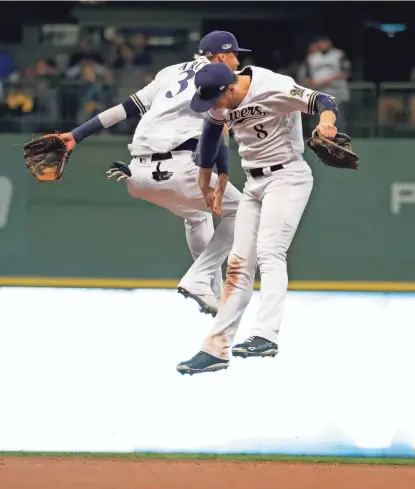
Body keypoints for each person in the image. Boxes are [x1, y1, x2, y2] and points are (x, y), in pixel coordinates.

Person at [58, 31, 251, 316]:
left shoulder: (170, 72)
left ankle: (210, 291)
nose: (237, 60)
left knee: (196, 215)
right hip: (179, 167)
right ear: (221, 56)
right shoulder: (221, 78)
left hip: (137, 174)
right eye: (234, 54)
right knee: (248, 211)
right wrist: (222, 175)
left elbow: (124, 109)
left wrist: (77, 134)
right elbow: (219, 133)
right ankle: (200, 280)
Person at [177, 62, 338, 375]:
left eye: (215, 98)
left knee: (270, 251)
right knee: (237, 263)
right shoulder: (220, 99)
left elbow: (324, 100)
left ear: (231, 88)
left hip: (287, 176)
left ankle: (265, 334)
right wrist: (205, 178)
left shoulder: (273, 86)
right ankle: (216, 349)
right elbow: (210, 135)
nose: (212, 105)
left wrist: (327, 123)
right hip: (254, 182)